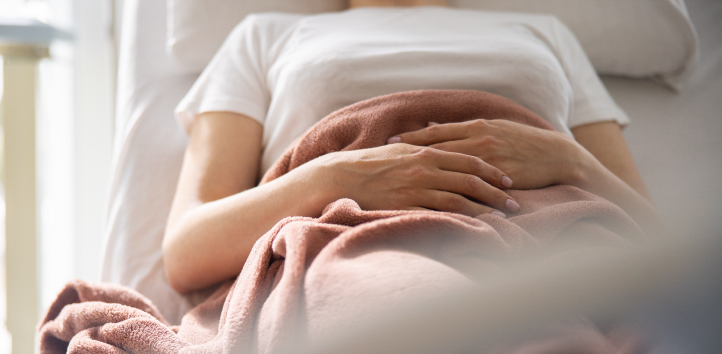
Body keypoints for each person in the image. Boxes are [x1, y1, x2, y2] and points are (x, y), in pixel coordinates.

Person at [163, 0, 660, 294]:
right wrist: (331, 179)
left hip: (552, 248)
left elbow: (654, 238)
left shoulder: (545, 32)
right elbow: (187, 250)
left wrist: (565, 158)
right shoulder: (263, 36)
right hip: (350, 248)